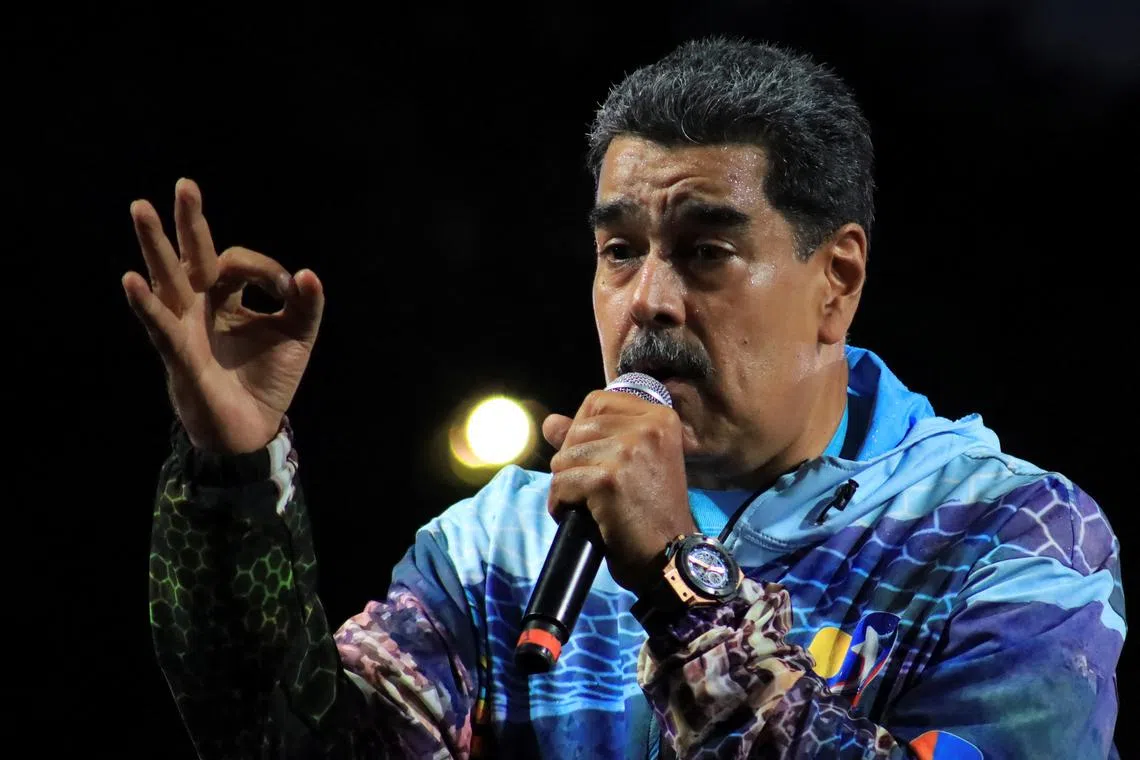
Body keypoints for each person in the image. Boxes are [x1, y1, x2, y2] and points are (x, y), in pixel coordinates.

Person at [125, 37, 1124, 759]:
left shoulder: (1008, 535)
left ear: (837, 280)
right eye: (619, 251)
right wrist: (235, 472)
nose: (647, 298)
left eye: (706, 251)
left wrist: (677, 581)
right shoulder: (501, 547)